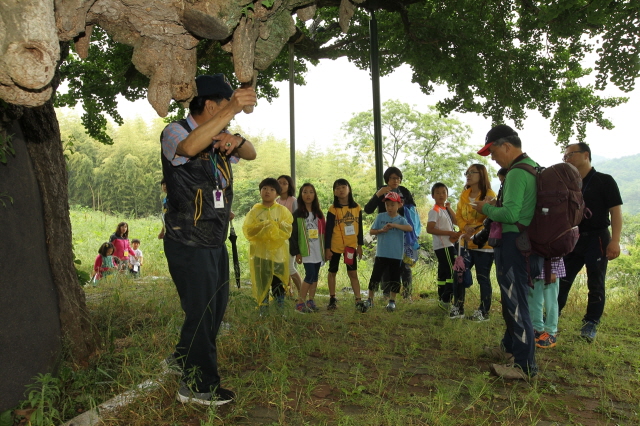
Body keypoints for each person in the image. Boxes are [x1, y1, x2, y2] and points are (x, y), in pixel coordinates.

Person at [160, 73, 256, 406]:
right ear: (213, 104)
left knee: (213, 311)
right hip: (187, 241)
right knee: (201, 312)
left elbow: (252, 154)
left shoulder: (220, 137)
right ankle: (197, 386)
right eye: (226, 104)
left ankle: (180, 358)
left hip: (214, 239)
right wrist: (230, 111)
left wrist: (237, 140)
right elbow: (187, 149)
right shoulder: (176, 131)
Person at [472, 124, 542, 380]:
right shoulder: (532, 167)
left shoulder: (516, 173)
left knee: (516, 303)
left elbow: (511, 214)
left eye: (493, 151)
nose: (492, 157)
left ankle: (524, 367)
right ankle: (509, 349)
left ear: (507, 146)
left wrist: (486, 209)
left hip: (515, 242)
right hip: (526, 243)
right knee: (513, 299)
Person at [557, 142, 623, 342]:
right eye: (565, 156)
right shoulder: (568, 182)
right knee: (562, 279)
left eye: (570, 155)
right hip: (573, 237)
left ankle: (590, 323)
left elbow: (616, 212)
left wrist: (616, 241)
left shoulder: (604, 180)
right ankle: (552, 317)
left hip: (598, 237)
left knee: (596, 282)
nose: (567, 159)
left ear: (586, 155)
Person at [364, 166, 418, 299]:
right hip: (385, 232)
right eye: (393, 178)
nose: (396, 180)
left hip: (403, 233)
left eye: (398, 178)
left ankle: (407, 294)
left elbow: (413, 212)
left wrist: (415, 232)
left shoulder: (404, 191)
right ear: (387, 179)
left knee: (405, 264)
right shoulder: (382, 190)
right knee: (385, 265)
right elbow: (368, 209)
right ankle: (386, 293)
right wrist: (378, 194)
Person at [243, 178, 293, 311]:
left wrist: (276, 226)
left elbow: (287, 230)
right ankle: (262, 311)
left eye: (272, 189)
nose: (267, 192)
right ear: (260, 191)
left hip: (278, 255)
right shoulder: (254, 211)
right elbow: (248, 231)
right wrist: (262, 226)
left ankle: (279, 311)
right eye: (264, 188)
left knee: (278, 284)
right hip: (260, 255)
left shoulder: (282, 211)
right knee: (262, 284)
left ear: (277, 194)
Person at [456, 164, 496, 321]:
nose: (468, 175)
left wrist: (474, 230)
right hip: (465, 243)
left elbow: (491, 218)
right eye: (467, 172)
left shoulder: (490, 195)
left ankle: (483, 311)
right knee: (459, 274)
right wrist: (465, 228)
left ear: (482, 175)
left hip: (483, 245)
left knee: (482, 278)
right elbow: (458, 214)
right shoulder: (464, 194)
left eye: (473, 172)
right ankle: (458, 307)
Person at [324, 178, 368, 312]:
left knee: (353, 273)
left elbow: (359, 228)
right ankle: (332, 298)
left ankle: (358, 300)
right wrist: (327, 249)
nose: (340, 190)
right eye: (337, 188)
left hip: (350, 247)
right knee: (332, 271)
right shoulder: (332, 209)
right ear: (334, 193)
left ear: (349, 189)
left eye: (343, 187)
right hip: (335, 246)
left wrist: (360, 246)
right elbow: (328, 230)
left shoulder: (357, 207)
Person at [366, 192, 413, 312]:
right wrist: (381, 230)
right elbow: (371, 231)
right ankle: (370, 299)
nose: (389, 208)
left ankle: (392, 301)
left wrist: (394, 225)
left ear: (399, 205)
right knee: (375, 276)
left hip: (396, 255)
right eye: (387, 205)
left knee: (395, 278)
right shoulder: (380, 217)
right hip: (381, 253)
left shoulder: (401, 219)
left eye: (392, 205)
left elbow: (409, 228)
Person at [426, 182, 462, 317]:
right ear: (433, 195)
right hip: (444, 246)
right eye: (438, 193)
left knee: (444, 273)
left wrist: (449, 208)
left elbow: (457, 222)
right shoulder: (434, 210)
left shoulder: (444, 209)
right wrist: (450, 233)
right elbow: (429, 229)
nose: (441, 195)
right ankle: (446, 299)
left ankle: (441, 298)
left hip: (448, 244)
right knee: (453, 272)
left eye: (444, 192)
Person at [289, 183, 325, 313]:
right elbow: (292, 235)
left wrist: (326, 250)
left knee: (315, 276)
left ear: (314, 195)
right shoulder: (297, 214)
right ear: (301, 195)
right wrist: (296, 253)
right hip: (306, 251)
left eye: (311, 192)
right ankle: (300, 304)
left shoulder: (319, 214)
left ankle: (311, 301)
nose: (308, 195)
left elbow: (324, 233)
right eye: (305, 192)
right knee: (309, 275)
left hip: (318, 250)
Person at [528, 257, 565, 349]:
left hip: (550, 268)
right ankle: (536, 328)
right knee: (534, 300)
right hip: (536, 267)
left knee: (550, 302)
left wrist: (553, 270)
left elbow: (556, 249)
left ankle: (551, 332)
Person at [277, 174, 303, 297]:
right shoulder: (276, 201)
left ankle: (302, 293)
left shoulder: (293, 201)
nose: (281, 185)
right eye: (279, 183)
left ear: (289, 186)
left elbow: (297, 222)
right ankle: (289, 292)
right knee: (282, 267)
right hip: (278, 239)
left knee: (290, 267)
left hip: (291, 239)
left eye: (284, 183)